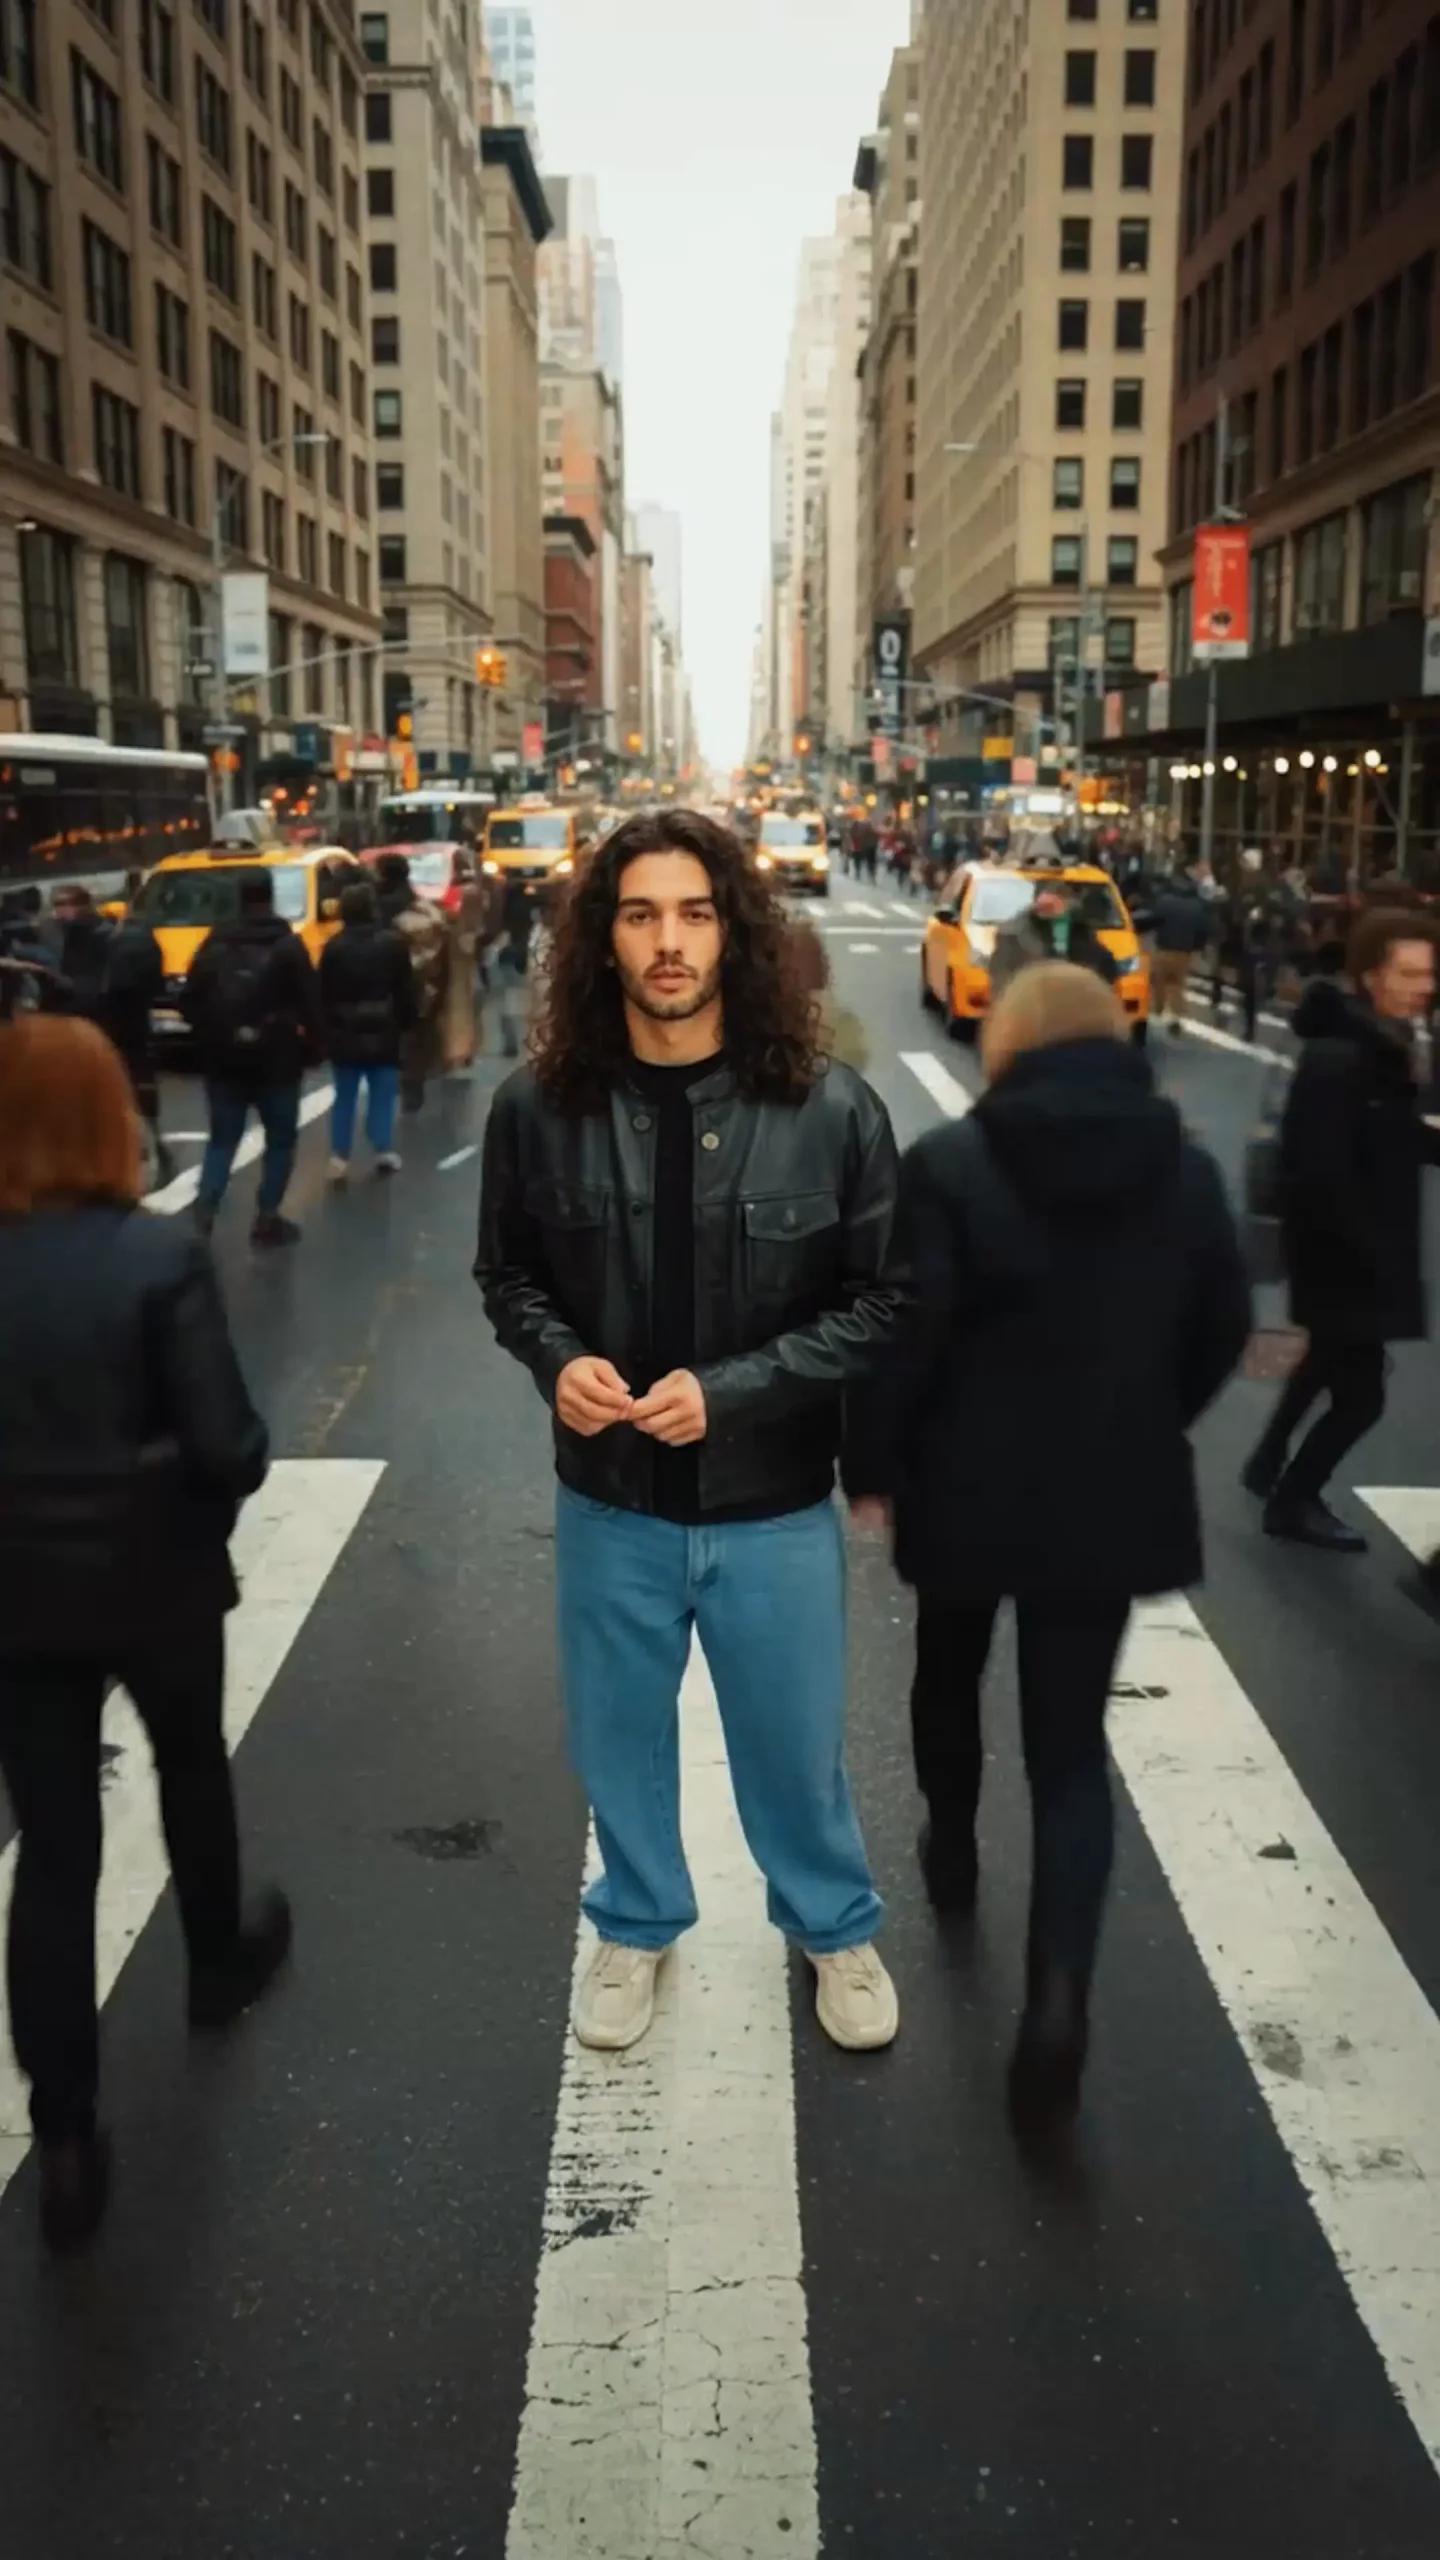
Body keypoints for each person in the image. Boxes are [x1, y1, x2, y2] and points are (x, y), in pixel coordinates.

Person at [477, 807, 902, 2058]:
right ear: (603, 940)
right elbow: (509, 1275)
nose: (669, 941)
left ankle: (832, 1927)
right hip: (611, 1499)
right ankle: (636, 1921)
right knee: (618, 1740)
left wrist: (735, 1392)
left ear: (734, 934)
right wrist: (556, 1361)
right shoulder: (535, 1107)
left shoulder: (832, 1110)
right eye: (641, 914)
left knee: (794, 1745)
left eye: (695, 914)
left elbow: (884, 1301)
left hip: (773, 1501)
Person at [845, 962, 1249, 2125]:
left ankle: (952, 1845)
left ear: (1007, 1043)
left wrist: (872, 1465)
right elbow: (1223, 1324)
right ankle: (1060, 2002)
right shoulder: (1185, 1170)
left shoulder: (953, 1164)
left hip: (965, 1487)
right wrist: (1149, 1416)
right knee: (1070, 1755)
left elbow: (907, 1334)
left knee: (946, 1669)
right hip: (1109, 1496)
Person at [0, 1015, 291, 2252]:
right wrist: (196, 1499)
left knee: (53, 1852)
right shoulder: (157, 1253)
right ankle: (217, 1962)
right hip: (155, 1573)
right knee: (189, 1762)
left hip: (18, 1596)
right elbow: (230, 1444)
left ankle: (65, 2140)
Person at [1243, 910, 1440, 1549]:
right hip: (1345, 1255)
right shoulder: (1341, 1058)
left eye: (1429, 973)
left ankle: (1267, 1462)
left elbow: (1388, 1135)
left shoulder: (1383, 1045)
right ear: (1370, 975)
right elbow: (1320, 1170)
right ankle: (1293, 1501)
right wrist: (1366, 1256)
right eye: (1409, 973)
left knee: (1325, 1362)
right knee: (1362, 1401)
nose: (1424, 986)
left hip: (1355, 1249)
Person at [184, 868, 325, 1246]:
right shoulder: (288, 945)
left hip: (224, 1061)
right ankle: (267, 1217)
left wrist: (211, 1036)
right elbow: (311, 1004)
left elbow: (189, 999)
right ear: (270, 895)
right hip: (277, 1061)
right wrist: (314, 1048)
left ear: (238, 897)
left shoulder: (215, 944)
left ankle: (204, 1214)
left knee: (222, 1141)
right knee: (280, 1141)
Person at [318, 877, 415, 1181]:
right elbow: (405, 990)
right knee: (382, 1093)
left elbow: (323, 993)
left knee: (344, 1096)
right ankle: (382, 1147)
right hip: (384, 1027)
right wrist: (407, 1023)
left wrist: (325, 1030)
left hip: (344, 1030)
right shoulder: (393, 944)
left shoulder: (333, 948)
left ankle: (339, 1156)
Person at [374, 852, 448, 1111]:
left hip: (386, 982)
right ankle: (413, 1083)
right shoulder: (417, 903)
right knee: (417, 1035)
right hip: (419, 982)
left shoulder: (379, 905)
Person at [990, 881, 1119, 1002]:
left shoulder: (1077, 928)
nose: (1051, 909)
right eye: (1047, 905)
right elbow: (1001, 975)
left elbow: (1100, 961)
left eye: (1056, 903)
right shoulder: (1014, 933)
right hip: (1031, 1003)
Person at [1149, 863, 1213, 1035]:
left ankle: (1157, 1010)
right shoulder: (1198, 906)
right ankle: (1175, 1016)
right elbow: (1203, 930)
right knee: (1177, 984)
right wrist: (1197, 947)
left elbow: (1152, 920)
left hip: (1164, 948)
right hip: (1184, 952)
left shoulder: (1165, 902)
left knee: (1158, 981)